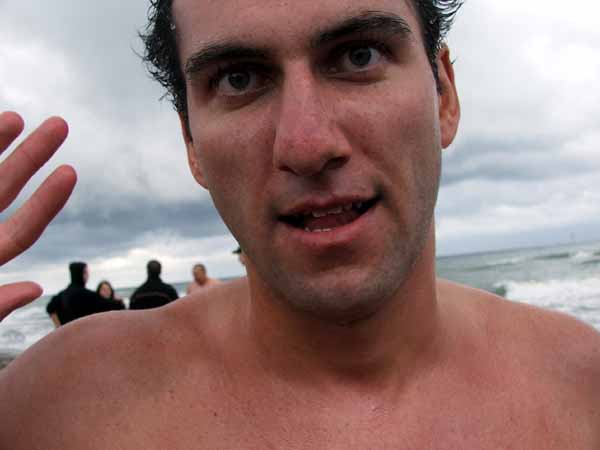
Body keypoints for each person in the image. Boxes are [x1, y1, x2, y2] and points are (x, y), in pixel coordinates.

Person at [1, 0, 600, 448]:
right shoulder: (56, 409)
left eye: (358, 55)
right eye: (239, 79)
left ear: (444, 94)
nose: (307, 145)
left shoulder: (583, 390)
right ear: (190, 142)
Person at [45, 261, 122, 326]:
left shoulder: (62, 294)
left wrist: (59, 327)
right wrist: (118, 302)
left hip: (68, 335)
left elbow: (50, 308)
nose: (88, 275)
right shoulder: (87, 295)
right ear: (81, 274)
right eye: (86, 272)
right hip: (84, 335)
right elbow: (112, 306)